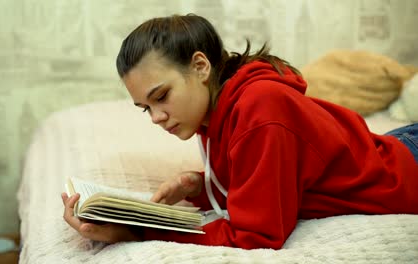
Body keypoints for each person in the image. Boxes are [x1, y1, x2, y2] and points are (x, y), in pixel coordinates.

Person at [61, 14, 418, 250]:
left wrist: (137, 232)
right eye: (146, 108)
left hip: (407, 169)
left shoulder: (260, 108)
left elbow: (257, 235)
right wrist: (201, 186)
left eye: (161, 97)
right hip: (394, 145)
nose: (156, 117)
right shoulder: (212, 112)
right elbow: (262, 173)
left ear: (200, 66)